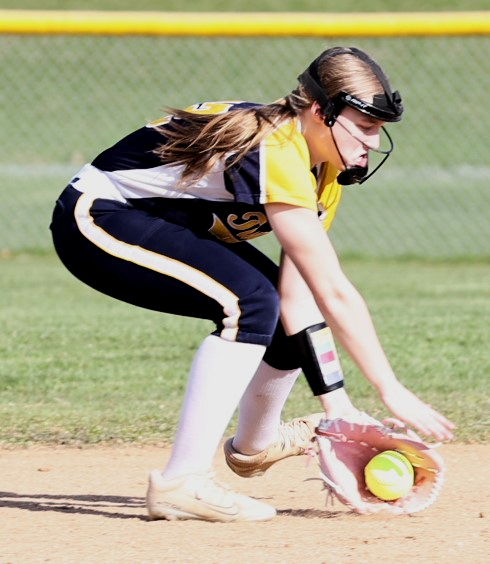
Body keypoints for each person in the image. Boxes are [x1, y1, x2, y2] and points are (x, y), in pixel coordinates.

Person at [50, 46, 455, 523]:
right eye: (364, 125)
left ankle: (255, 448)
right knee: (250, 302)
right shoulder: (277, 148)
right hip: (98, 216)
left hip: (161, 223)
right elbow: (335, 291)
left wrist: (339, 409)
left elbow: (299, 299)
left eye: (378, 129)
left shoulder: (325, 172)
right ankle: (182, 482)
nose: (373, 140)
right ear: (320, 111)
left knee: (274, 311)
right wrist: (389, 388)